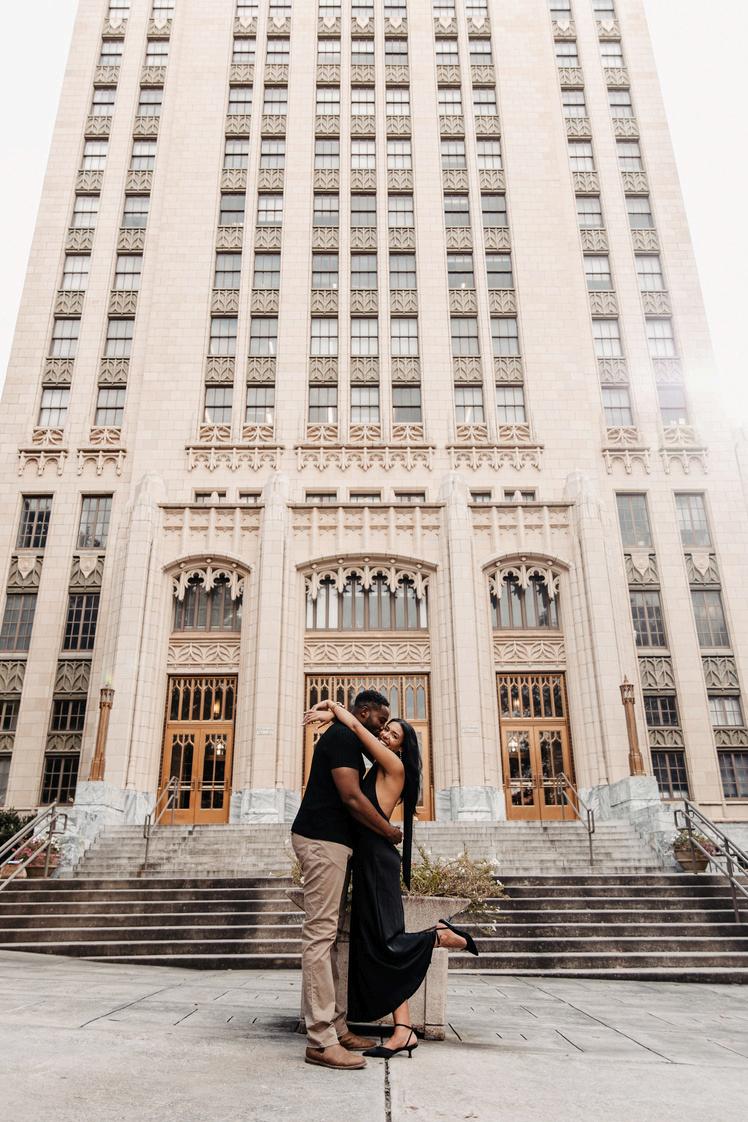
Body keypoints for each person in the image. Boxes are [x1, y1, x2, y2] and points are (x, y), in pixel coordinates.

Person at [304, 698, 478, 1061]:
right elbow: (355, 732)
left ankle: (439, 936)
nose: (384, 734)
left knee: (388, 941)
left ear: (402, 747)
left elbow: (356, 727)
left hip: (377, 859)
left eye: (393, 733)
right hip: (365, 857)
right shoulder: (380, 764)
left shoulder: (394, 765)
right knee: (379, 943)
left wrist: (333, 707)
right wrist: (334, 717)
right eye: (384, 729)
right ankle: (403, 1030)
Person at [291, 689, 403, 1071]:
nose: (382, 729)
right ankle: (321, 1040)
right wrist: (388, 831)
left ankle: (336, 1026)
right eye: (380, 721)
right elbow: (352, 797)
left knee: (329, 938)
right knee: (320, 936)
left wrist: (333, 708)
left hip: (335, 844)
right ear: (365, 712)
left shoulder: (348, 737)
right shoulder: (341, 738)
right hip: (321, 841)